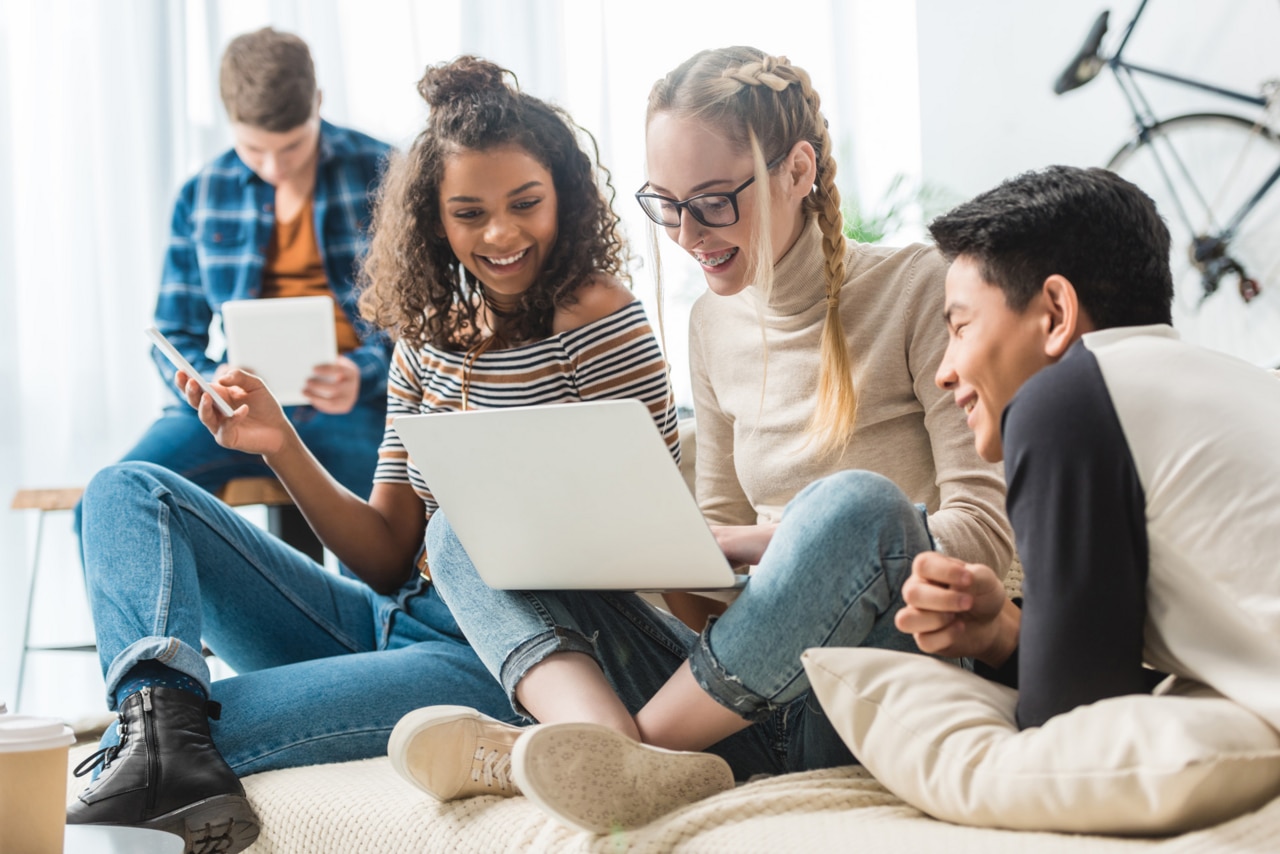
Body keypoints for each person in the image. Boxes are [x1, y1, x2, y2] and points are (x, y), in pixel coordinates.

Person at [388, 46, 1014, 834]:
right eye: (667, 203)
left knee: (857, 508)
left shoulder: (922, 287)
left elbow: (984, 539)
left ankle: (608, 750)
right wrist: (631, 546)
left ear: (797, 170)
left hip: (874, 676)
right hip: (744, 696)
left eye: (715, 202)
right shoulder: (712, 323)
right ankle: (607, 748)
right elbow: (704, 590)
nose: (688, 234)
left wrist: (767, 542)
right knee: (460, 528)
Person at [66, 55, 676, 854]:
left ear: (563, 191)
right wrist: (280, 443)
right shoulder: (428, 342)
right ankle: (155, 717)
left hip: (490, 651)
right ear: (435, 218)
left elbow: (649, 530)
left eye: (525, 203)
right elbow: (387, 556)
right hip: (385, 615)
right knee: (126, 491)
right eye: (469, 213)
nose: (500, 233)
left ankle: (157, 744)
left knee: (209, 728)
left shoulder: (598, 320)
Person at [895, 164, 1280, 732]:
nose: (943, 373)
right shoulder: (1245, 383)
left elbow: (1074, 720)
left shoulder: (1064, 402)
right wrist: (1004, 631)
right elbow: (1107, 682)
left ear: (1055, 313)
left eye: (960, 327)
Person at [119, 27, 392, 508]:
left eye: (291, 147)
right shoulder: (200, 194)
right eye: (253, 149)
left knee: (385, 533)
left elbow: (427, 320)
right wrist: (207, 383)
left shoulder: (384, 172)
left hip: (354, 406)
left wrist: (363, 373)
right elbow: (173, 331)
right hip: (236, 406)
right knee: (119, 496)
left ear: (320, 103)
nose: (273, 167)